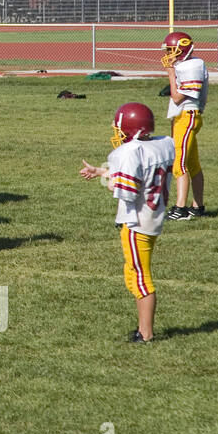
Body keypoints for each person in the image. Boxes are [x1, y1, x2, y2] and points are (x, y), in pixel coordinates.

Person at [79, 103, 175, 343]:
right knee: (135, 272)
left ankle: (145, 333)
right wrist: (102, 172)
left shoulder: (130, 151)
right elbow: (144, 173)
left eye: (120, 130)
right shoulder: (162, 144)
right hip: (153, 216)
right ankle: (144, 330)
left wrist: (112, 183)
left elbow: (128, 190)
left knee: (140, 276)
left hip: (136, 222)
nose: (117, 134)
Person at [162, 31, 208, 220]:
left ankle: (180, 208)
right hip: (184, 117)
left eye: (172, 50)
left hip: (187, 116)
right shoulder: (188, 64)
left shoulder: (192, 66)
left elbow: (178, 97)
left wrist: (171, 72)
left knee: (178, 164)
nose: (169, 54)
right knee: (193, 164)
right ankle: (197, 206)